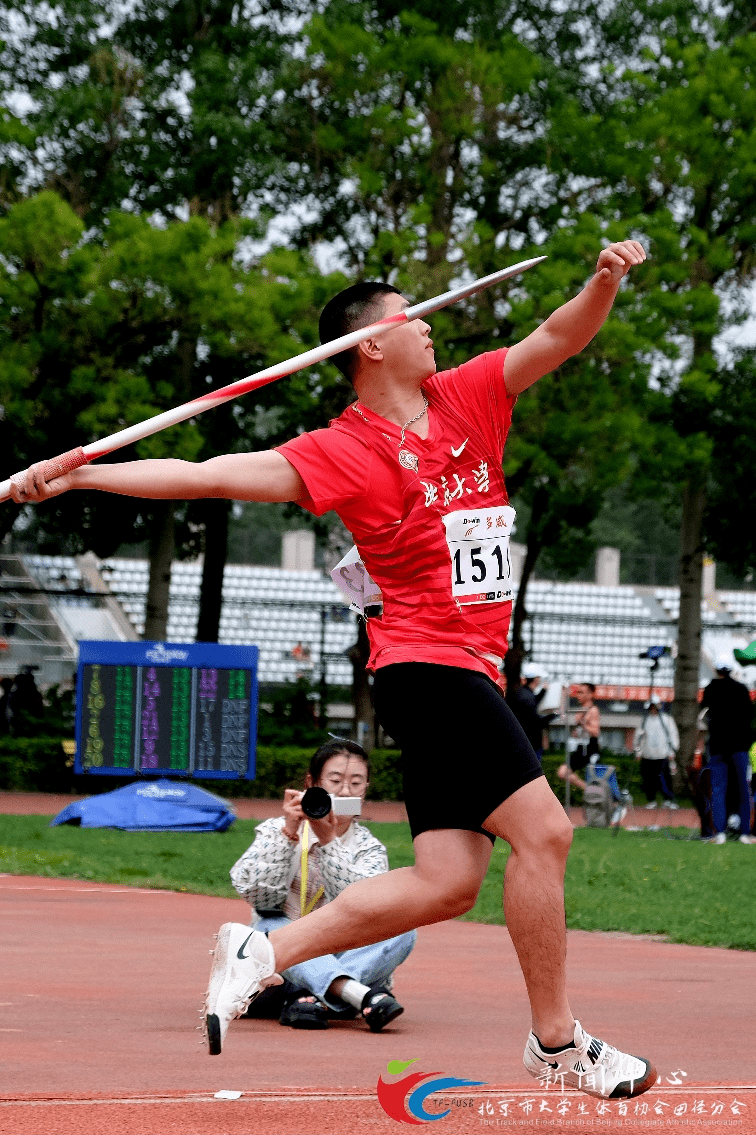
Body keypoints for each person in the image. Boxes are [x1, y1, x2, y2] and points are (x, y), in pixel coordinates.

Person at [11, 239, 657, 1100]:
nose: (427, 324)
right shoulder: (340, 450)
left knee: (448, 881)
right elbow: (205, 475)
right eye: (408, 315)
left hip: (470, 667)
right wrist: (82, 474)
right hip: (427, 666)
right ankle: (557, 1042)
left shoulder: (466, 395)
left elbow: (558, 337)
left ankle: (263, 951)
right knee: (546, 832)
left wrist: (603, 283)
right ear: (370, 346)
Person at [229, 739, 415, 1031]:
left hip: (341, 950)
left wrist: (328, 842)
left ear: (365, 789)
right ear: (311, 782)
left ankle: (311, 997)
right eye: (335, 780)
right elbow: (257, 895)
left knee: (403, 927)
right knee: (268, 924)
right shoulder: (276, 830)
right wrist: (288, 834)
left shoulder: (369, 848)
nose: (343, 791)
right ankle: (355, 994)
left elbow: (363, 907)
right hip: (281, 965)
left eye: (356, 783)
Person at [701, 656, 755, 845]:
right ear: (731, 670)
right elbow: (750, 714)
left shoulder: (710, 689)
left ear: (716, 670)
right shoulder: (741, 689)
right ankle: (745, 833)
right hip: (739, 745)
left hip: (717, 746)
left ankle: (720, 833)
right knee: (743, 789)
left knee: (718, 790)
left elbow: (704, 710)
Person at [633, 696, 680, 810]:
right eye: (650, 707)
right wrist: (638, 752)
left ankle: (668, 800)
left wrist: (672, 751)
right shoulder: (644, 721)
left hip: (662, 755)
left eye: (654, 706)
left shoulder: (667, 720)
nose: (652, 709)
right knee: (649, 780)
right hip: (647, 755)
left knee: (665, 779)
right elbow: (638, 737)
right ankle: (651, 800)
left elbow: (673, 736)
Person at [557, 682, 601, 792]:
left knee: (563, 772)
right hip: (580, 747)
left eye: (581, 692)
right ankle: (589, 790)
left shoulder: (593, 710)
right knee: (562, 772)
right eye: (577, 692)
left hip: (589, 749)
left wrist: (583, 724)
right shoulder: (582, 709)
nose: (578, 695)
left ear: (590, 694)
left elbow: (595, 731)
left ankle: (590, 790)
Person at [509, 663, 553, 759]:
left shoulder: (523, 693)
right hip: (530, 744)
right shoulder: (527, 697)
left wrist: (543, 691)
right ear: (536, 679)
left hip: (523, 742)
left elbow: (532, 704)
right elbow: (536, 722)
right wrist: (554, 716)